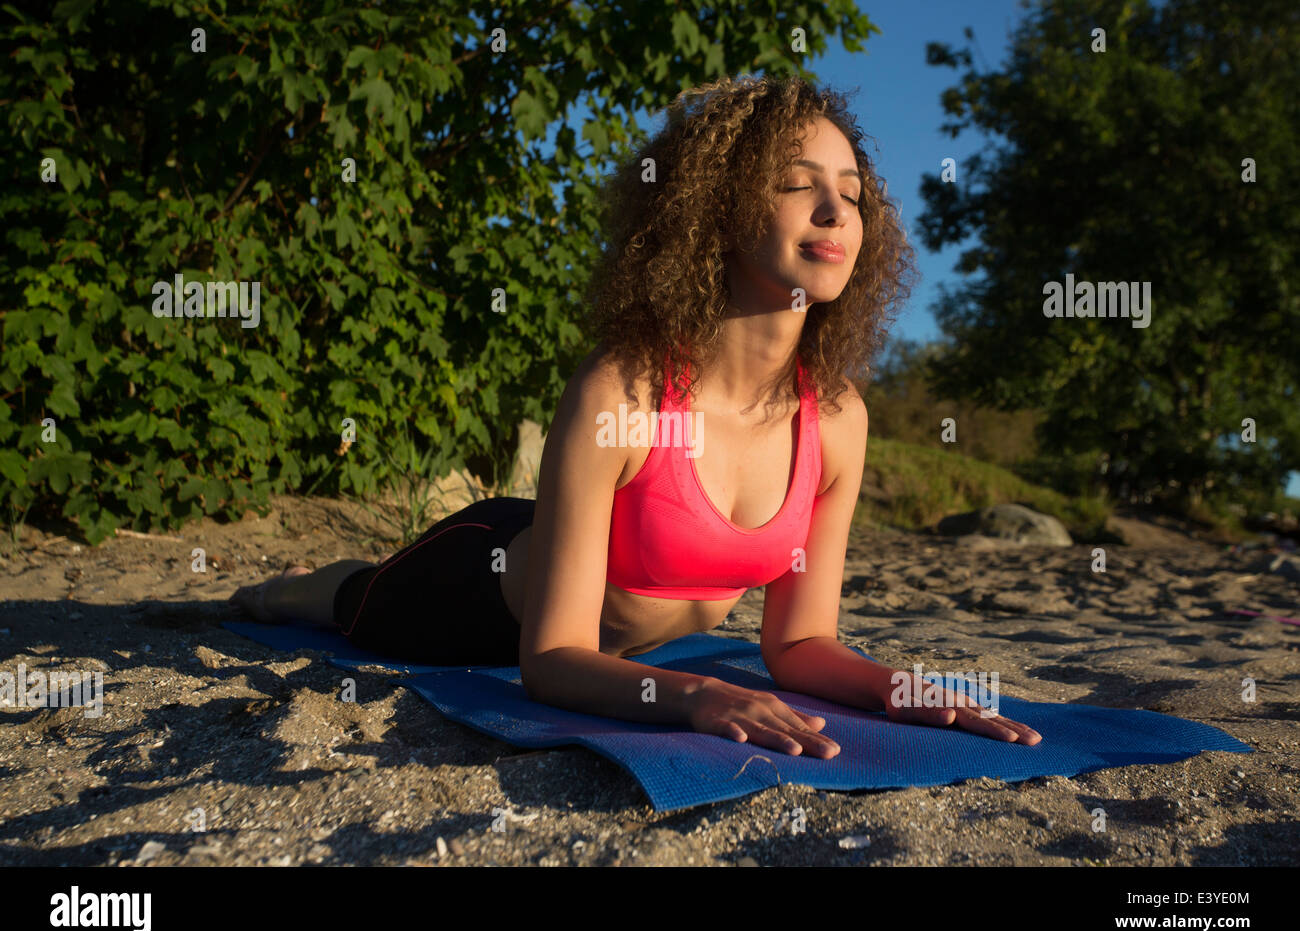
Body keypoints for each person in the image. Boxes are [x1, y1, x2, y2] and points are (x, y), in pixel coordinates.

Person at [230, 75, 1042, 756]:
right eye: (798, 184)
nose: (835, 212)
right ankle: (292, 586)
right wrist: (696, 696)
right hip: (469, 589)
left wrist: (899, 688)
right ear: (715, 209)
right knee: (342, 605)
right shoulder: (623, 392)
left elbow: (798, 648)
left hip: (605, 632)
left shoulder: (836, 420)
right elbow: (549, 661)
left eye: (852, 194)